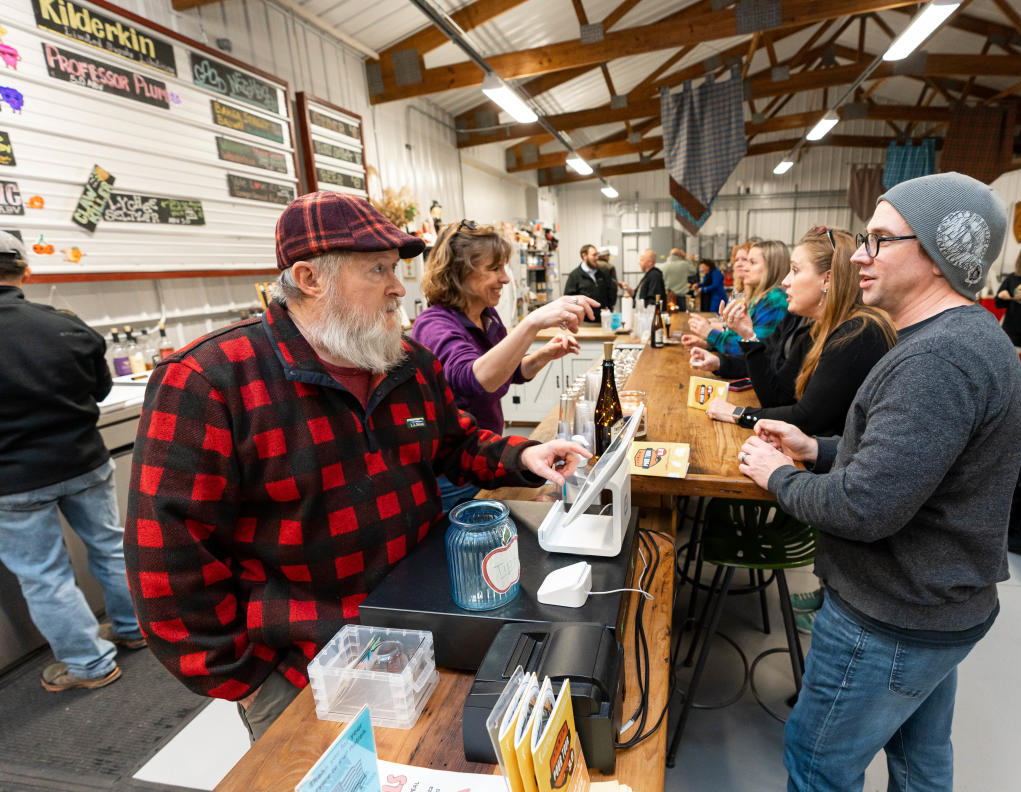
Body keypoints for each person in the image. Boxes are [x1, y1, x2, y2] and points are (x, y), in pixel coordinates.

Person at [123, 192, 587, 742]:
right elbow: (168, 559)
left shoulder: (406, 361)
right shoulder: (212, 380)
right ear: (309, 278)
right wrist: (248, 681)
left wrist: (518, 455)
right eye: (378, 270)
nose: (398, 287)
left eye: (395, 269)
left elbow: (453, 444)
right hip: (307, 668)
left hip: (425, 632)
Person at [736, 173, 1021, 792]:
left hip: (890, 615)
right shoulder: (955, 340)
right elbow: (908, 463)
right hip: (935, 608)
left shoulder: (936, 360)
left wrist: (779, 475)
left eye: (880, 240)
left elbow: (865, 508)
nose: (860, 256)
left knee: (819, 768)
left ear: (938, 255)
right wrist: (818, 449)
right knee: (921, 763)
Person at [0, 232, 145, 693]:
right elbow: (99, 390)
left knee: (45, 575)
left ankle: (89, 663)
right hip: (85, 461)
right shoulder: (65, 325)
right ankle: (136, 629)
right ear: (24, 271)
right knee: (110, 547)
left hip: (13, 480)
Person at [412, 220, 598, 512]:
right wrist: (533, 322)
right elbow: (474, 380)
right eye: (494, 268)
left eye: (505, 267)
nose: (506, 278)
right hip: (454, 473)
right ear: (460, 272)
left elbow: (506, 373)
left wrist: (542, 356)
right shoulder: (433, 324)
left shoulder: (487, 316)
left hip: (489, 456)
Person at [702, 227, 895, 436]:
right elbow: (777, 398)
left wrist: (738, 413)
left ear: (828, 279)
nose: (785, 282)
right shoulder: (816, 329)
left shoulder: (858, 333)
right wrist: (748, 336)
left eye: (795, 270)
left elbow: (807, 419)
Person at [686, 240, 790, 355]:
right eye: (737, 260)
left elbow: (753, 351)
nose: (745, 267)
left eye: (752, 262)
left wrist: (710, 334)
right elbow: (739, 337)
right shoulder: (760, 298)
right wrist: (708, 343)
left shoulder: (774, 300)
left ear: (771, 267)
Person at [563, 243, 618, 314]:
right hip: (585, 322)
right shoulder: (574, 275)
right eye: (594, 255)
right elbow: (568, 299)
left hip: (603, 318)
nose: (597, 257)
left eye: (597, 254)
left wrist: (609, 308)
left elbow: (610, 292)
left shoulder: (603, 273)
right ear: (584, 256)